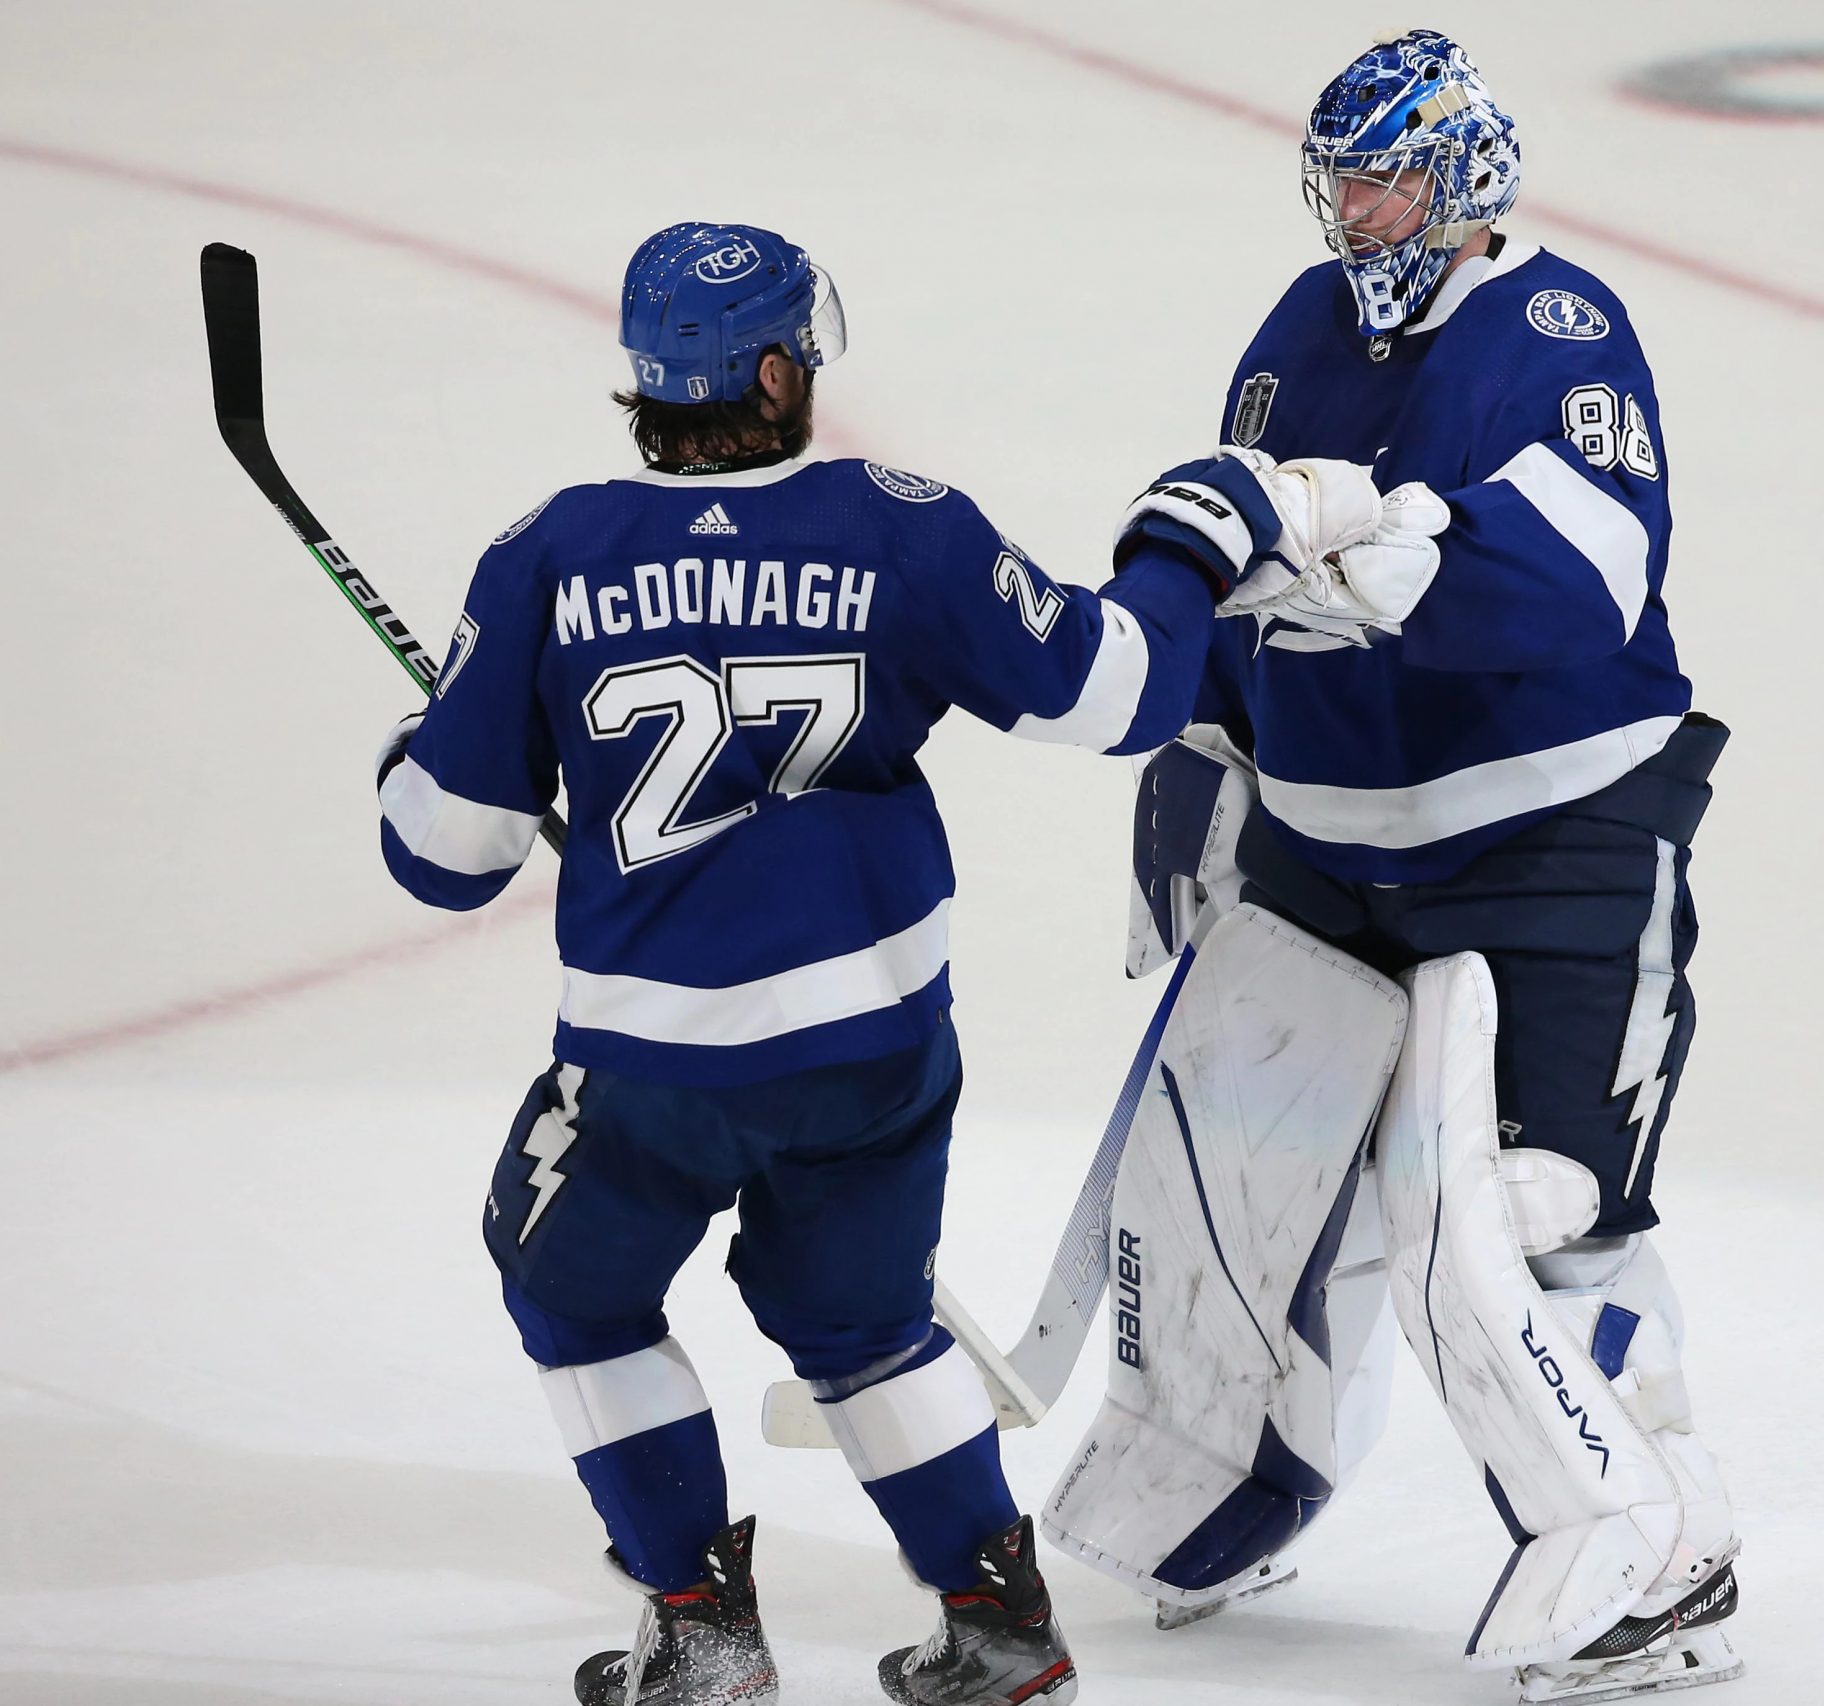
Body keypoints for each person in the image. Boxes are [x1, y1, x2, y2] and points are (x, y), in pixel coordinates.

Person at [371, 221, 1415, 1706]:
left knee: (576, 1301)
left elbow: (442, 855)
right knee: (866, 1325)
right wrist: (1189, 542)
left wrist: (416, 754)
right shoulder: (897, 525)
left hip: (654, 1067)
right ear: (782, 368)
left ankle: (702, 1631)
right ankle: (996, 1626)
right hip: (872, 1051)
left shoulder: (550, 552)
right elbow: (1120, 692)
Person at [1039, 32, 1742, 1704]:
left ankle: (1666, 1548)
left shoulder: (1559, 332)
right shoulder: (1297, 330)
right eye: (1341, 181)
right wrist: (1203, 754)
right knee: (1229, 1190)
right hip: (1319, 855)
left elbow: (1583, 581)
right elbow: (1242, 568)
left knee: (1517, 1229)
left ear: (1470, 174)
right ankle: (1230, 1483)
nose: (1359, 213)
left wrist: (1365, 539)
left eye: (1390, 179)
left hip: (1547, 853)